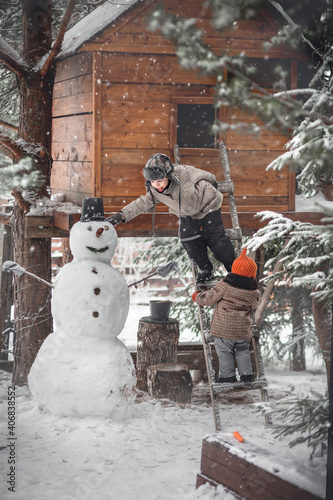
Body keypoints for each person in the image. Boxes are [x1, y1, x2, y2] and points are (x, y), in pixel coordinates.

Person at [108, 153, 235, 282]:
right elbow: (140, 204)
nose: (157, 185)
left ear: (168, 175)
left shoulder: (184, 172)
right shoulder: (155, 192)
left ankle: (233, 269)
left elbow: (207, 176)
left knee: (215, 237)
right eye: (152, 182)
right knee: (188, 237)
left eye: (159, 181)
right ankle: (206, 270)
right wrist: (121, 215)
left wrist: (213, 184)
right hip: (187, 213)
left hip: (208, 204)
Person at [192, 247, 261, 383]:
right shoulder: (254, 291)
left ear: (234, 270)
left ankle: (228, 376)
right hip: (242, 331)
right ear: (252, 274)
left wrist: (197, 296)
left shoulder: (224, 286)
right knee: (243, 352)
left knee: (225, 353)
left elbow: (208, 298)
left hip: (223, 330)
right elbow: (255, 305)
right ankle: (246, 375)